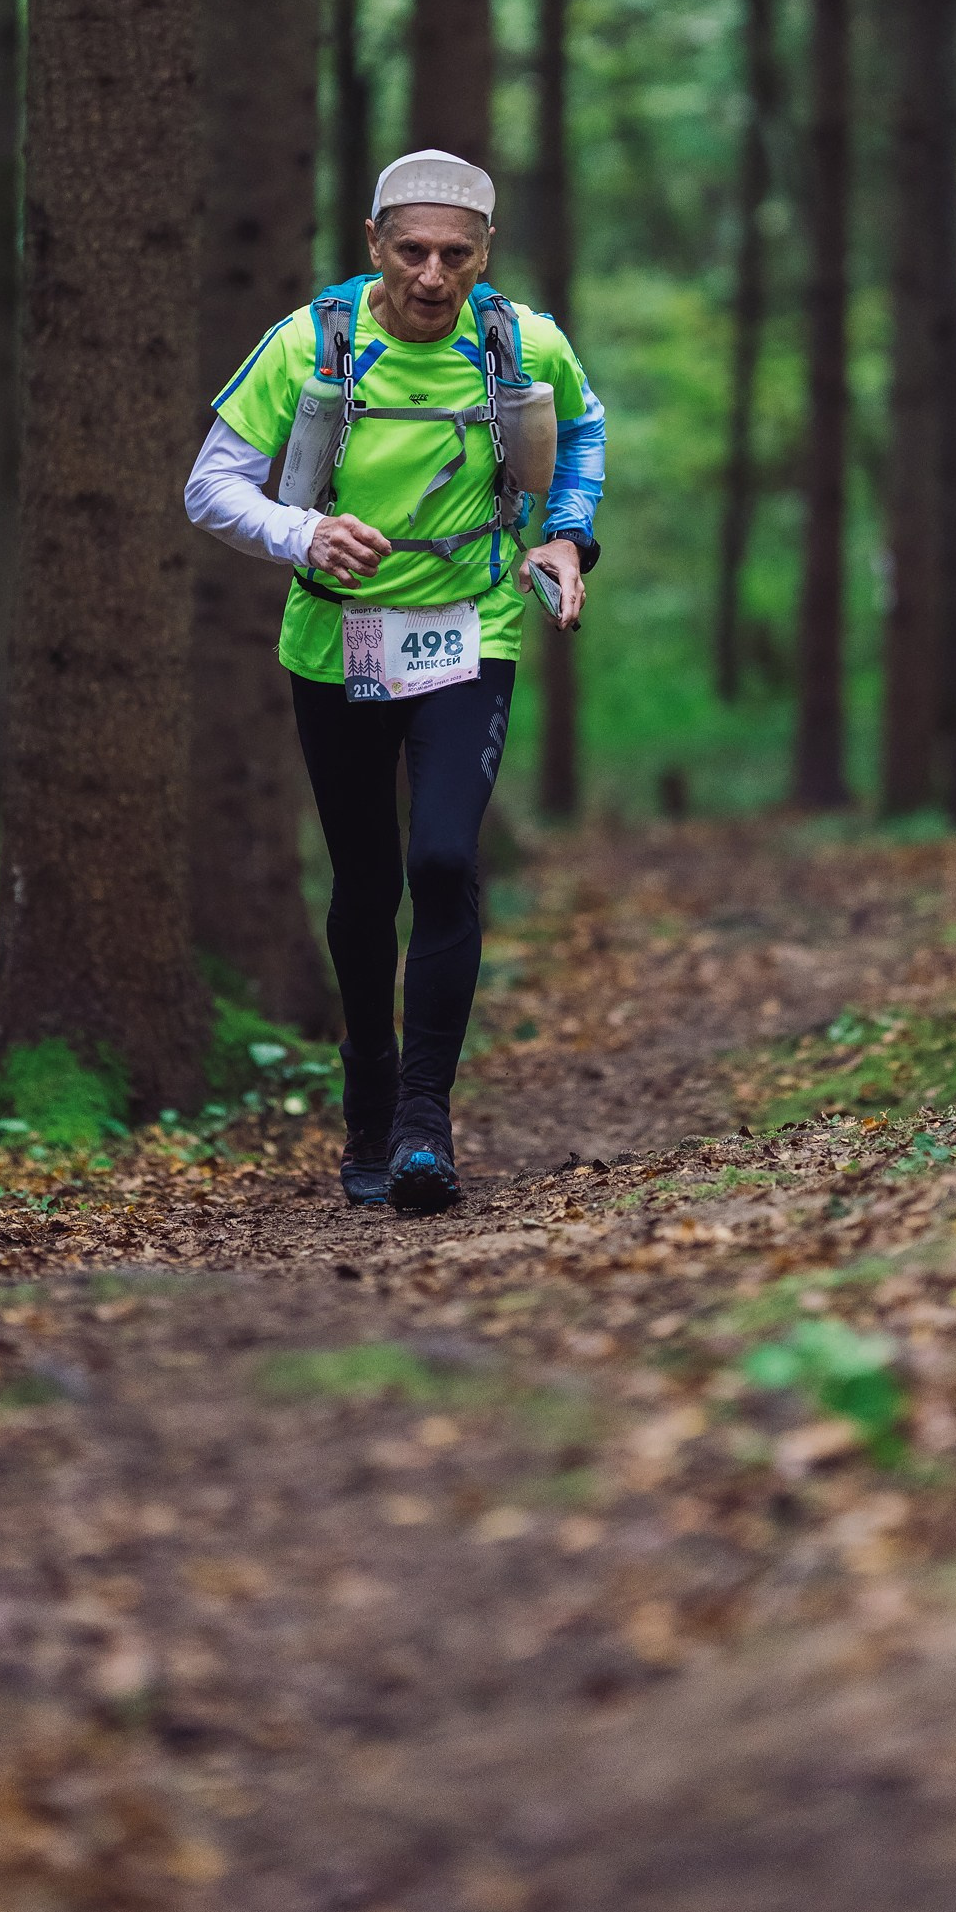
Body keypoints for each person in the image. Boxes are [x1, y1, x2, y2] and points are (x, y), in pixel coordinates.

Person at [184, 150, 605, 1215]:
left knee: (446, 858)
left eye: (453, 255)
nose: (431, 274)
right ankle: (366, 1106)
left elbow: (583, 428)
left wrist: (564, 539)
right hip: (336, 643)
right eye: (410, 250)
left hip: (473, 628)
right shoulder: (308, 345)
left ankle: (425, 1123)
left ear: (483, 256)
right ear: (373, 245)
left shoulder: (519, 342)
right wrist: (304, 531)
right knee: (366, 886)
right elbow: (209, 487)